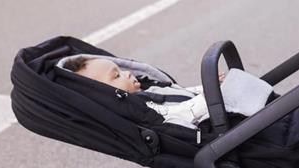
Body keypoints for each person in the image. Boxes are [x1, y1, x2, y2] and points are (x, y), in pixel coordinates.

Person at [62, 55, 272, 130]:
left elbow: (185, 93)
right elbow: (181, 114)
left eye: (121, 70)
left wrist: (208, 86)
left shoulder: (151, 89)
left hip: (223, 108)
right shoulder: (143, 109)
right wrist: (210, 93)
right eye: (116, 76)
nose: (127, 73)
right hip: (218, 123)